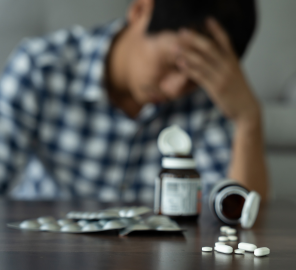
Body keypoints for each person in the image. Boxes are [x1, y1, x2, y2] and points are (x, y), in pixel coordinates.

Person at [0, 0, 268, 202]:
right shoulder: (41, 66)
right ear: (140, 10)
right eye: (174, 64)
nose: (175, 89)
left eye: (195, 77)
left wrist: (248, 119)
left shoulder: (210, 95)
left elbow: (239, 215)